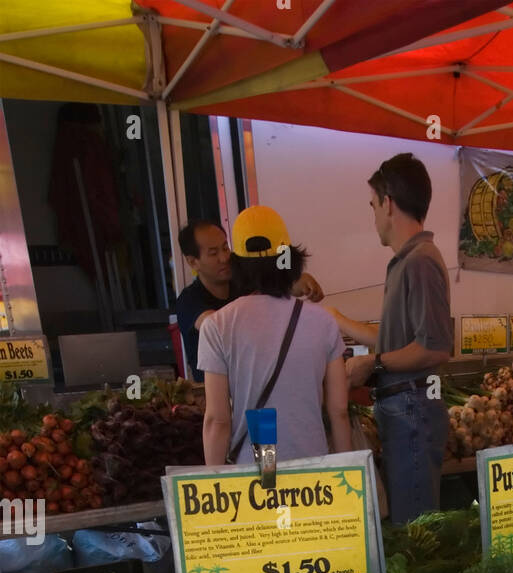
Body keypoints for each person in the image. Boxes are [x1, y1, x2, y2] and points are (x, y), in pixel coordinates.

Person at [326, 154, 452, 524]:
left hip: (412, 407)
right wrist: (339, 320)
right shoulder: (406, 260)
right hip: (403, 409)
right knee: (409, 522)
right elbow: (398, 339)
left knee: (415, 531)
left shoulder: (421, 261)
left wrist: (372, 363)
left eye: (373, 205)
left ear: (389, 202)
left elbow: (434, 346)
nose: (374, 218)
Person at [198, 205, 351, 468]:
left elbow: (217, 421)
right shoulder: (323, 321)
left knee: (267, 498)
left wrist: (215, 489)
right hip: (314, 473)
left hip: (256, 470)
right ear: (290, 259)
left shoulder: (218, 325)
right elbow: (338, 411)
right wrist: (348, 472)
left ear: (237, 263)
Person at [175, 219, 325, 383]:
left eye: (225, 248)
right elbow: (217, 326)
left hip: (259, 383)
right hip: (216, 391)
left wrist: (295, 281)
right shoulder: (189, 300)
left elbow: (274, 285)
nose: (224, 258)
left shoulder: (242, 281)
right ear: (192, 262)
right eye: (213, 253)